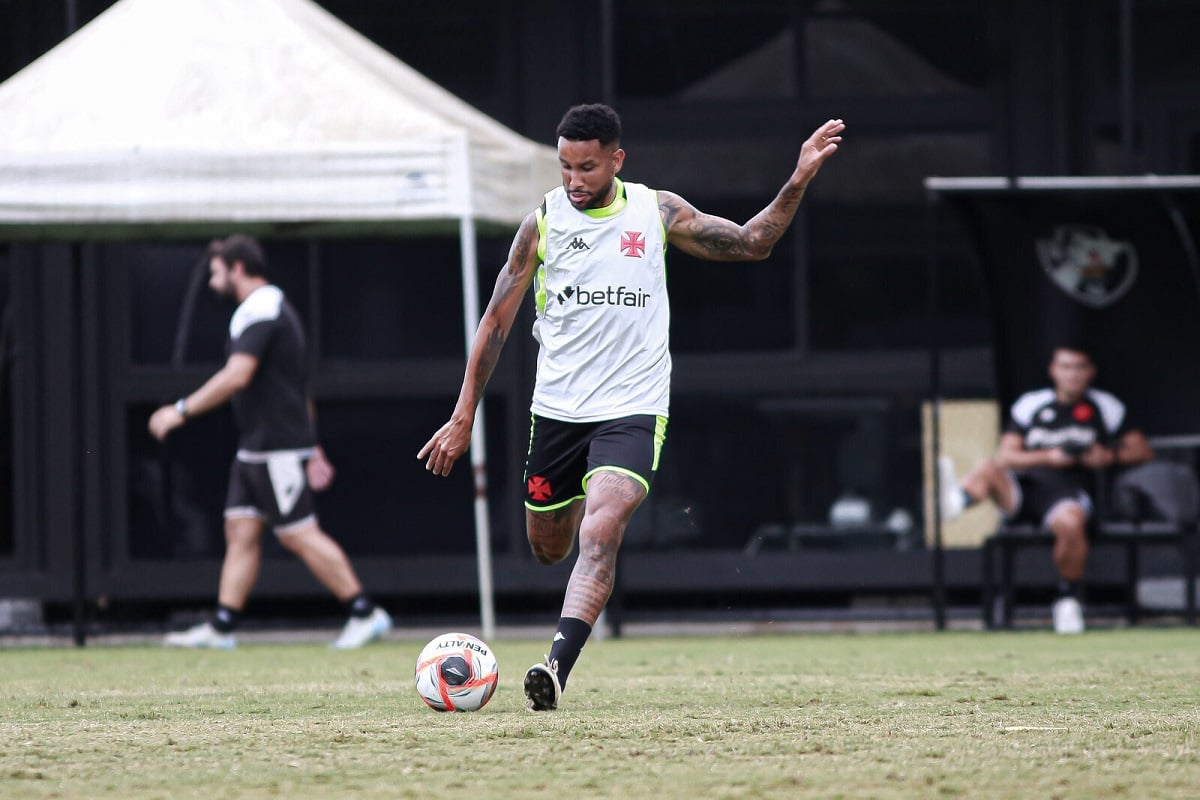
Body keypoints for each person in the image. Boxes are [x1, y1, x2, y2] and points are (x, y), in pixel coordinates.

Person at [419, 103, 845, 709]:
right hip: (558, 411)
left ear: (616, 160)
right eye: (565, 166)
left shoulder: (656, 210)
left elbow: (752, 243)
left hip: (633, 407)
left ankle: (554, 669)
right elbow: (495, 321)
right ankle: (560, 569)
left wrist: (797, 177)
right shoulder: (541, 225)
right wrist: (463, 417)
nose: (573, 180)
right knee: (549, 545)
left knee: (603, 526)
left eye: (587, 167)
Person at [150, 234, 392, 650]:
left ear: (237, 268)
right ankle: (222, 628)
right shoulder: (271, 309)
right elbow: (299, 389)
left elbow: (237, 375)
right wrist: (313, 445)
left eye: (215, 272)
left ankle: (364, 612)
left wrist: (181, 410)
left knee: (298, 533)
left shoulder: (261, 309)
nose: (211, 282)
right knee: (240, 531)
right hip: (256, 449)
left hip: (276, 448)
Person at [939, 344, 1153, 634]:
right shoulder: (1033, 404)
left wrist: (1107, 456)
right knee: (989, 467)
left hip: (1068, 492)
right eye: (1065, 367)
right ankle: (958, 501)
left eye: (1079, 367)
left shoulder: (1105, 406)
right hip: (1026, 489)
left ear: (1090, 372)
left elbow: (1142, 450)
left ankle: (1067, 600)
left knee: (1070, 521)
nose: (1073, 375)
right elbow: (1007, 455)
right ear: (1053, 370)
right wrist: (1050, 456)